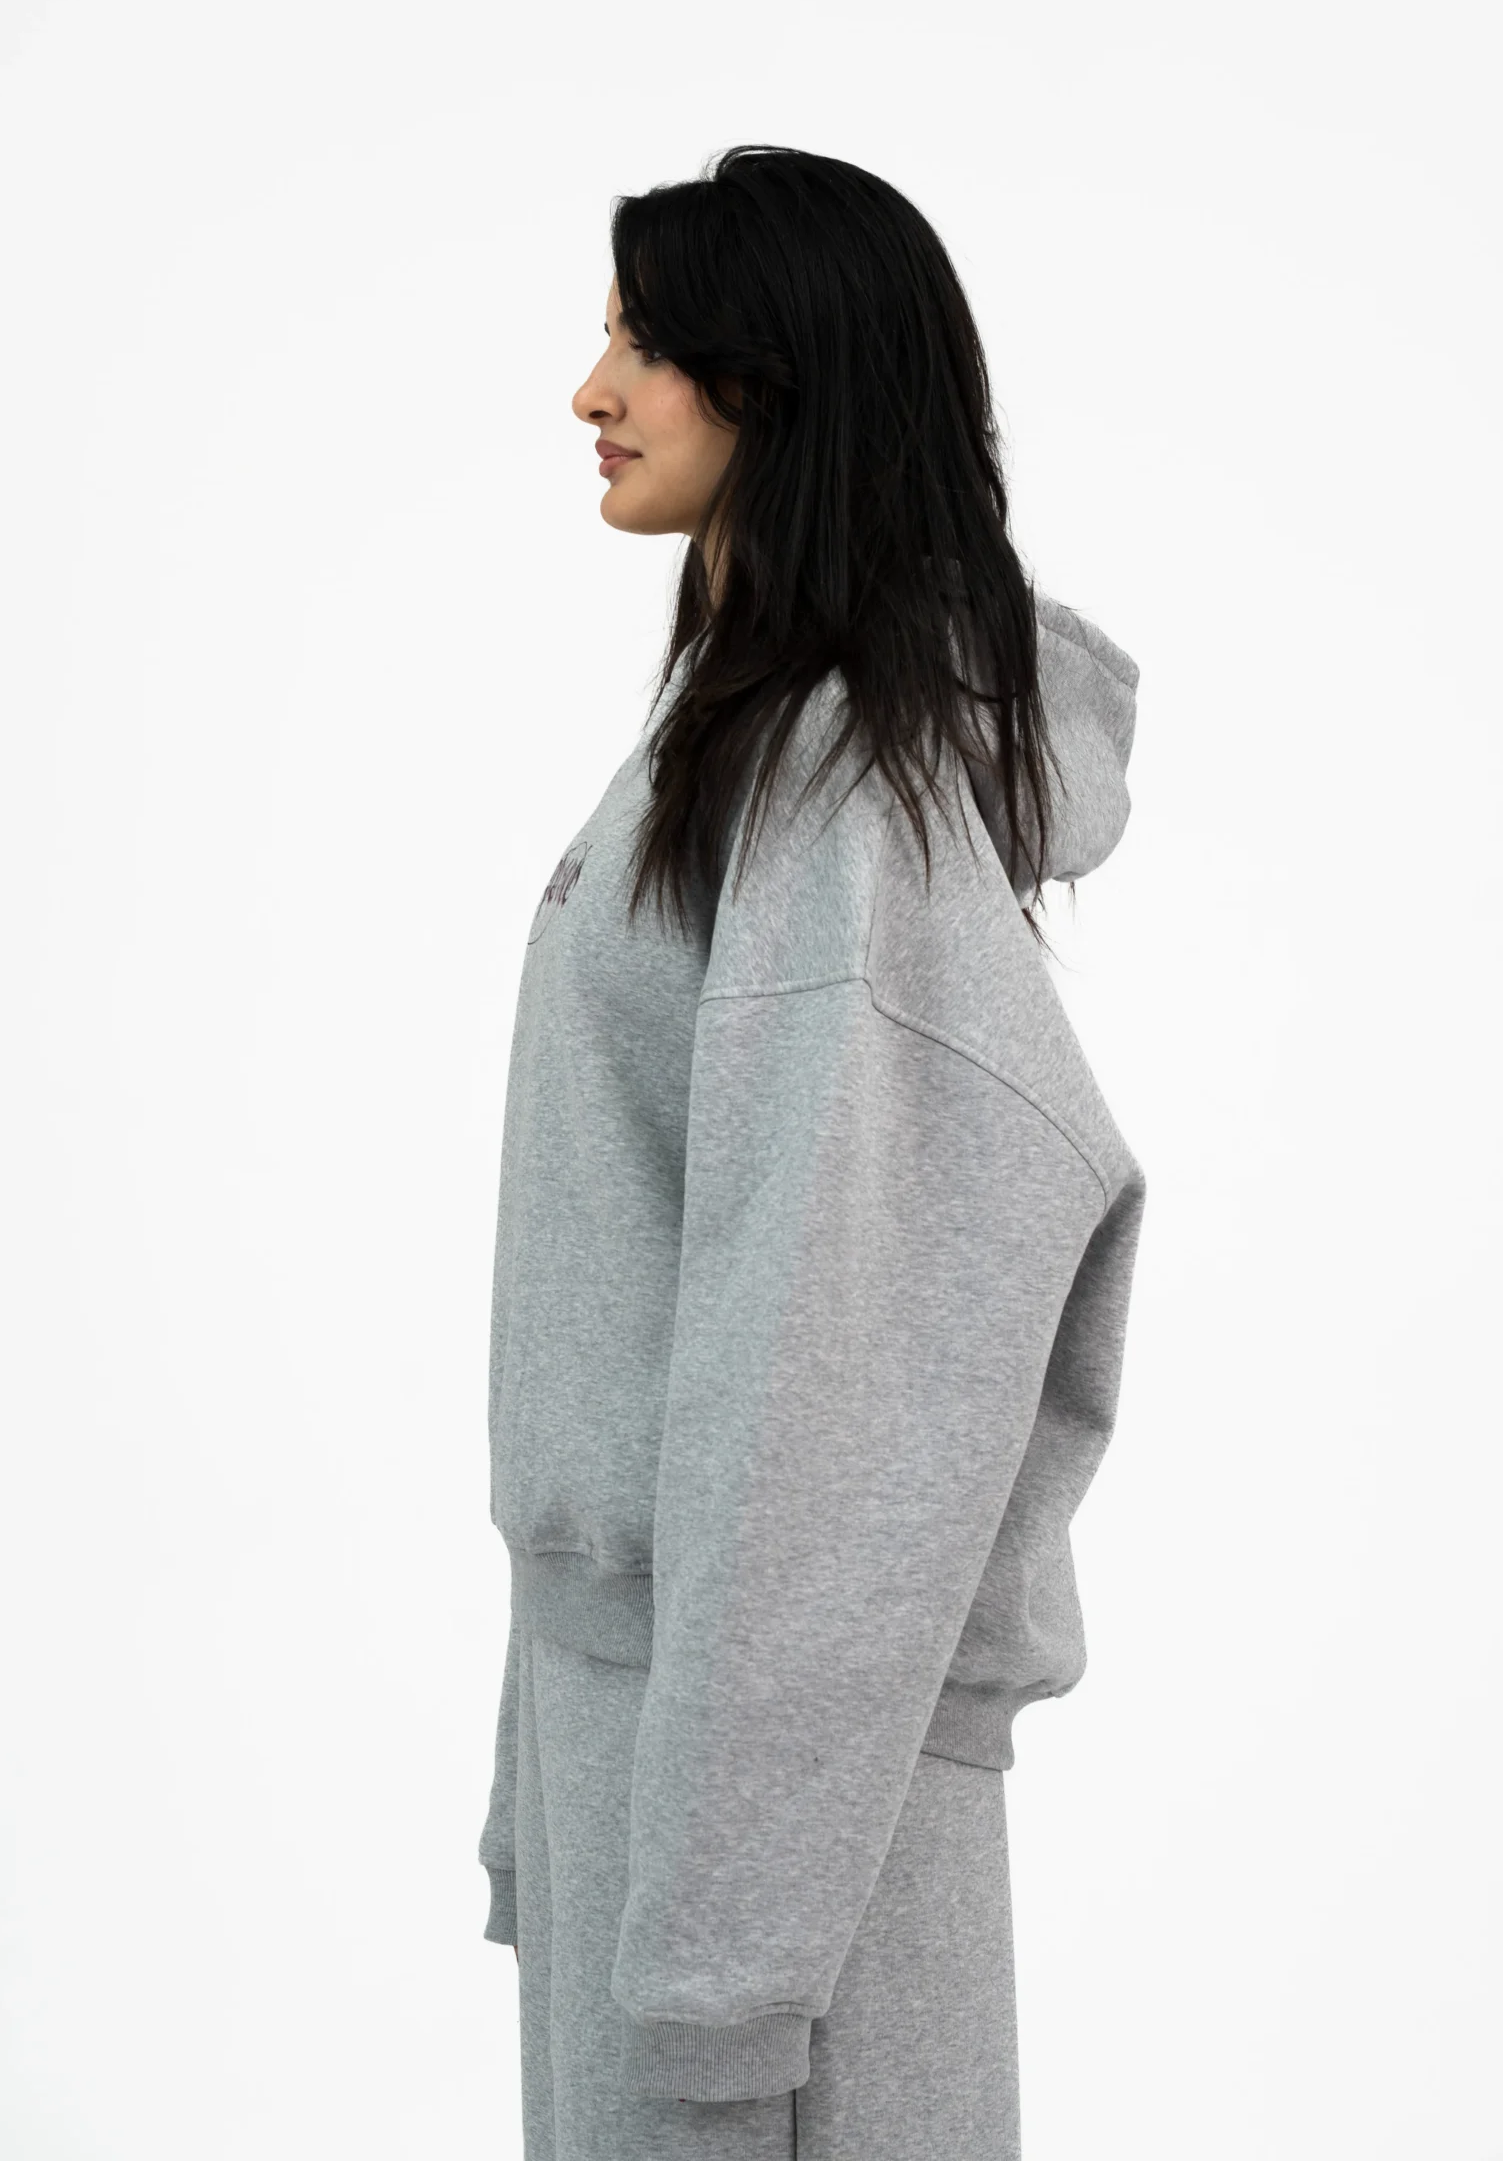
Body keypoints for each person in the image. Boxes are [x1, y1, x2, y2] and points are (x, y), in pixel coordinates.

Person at [477, 144, 1146, 2160]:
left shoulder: (838, 802)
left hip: (782, 1817)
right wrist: (554, 1770)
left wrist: (721, 1950)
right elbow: (631, 1267)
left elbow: (836, 1404)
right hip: (671, 1760)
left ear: (771, 383)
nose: (590, 390)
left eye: (642, 342)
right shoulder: (728, 740)